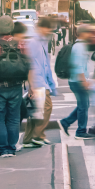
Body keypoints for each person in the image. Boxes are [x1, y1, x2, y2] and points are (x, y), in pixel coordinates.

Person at [0, 16, 30, 157]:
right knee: (14, 118)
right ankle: (12, 146)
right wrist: (31, 86)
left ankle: (2, 148)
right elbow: (29, 67)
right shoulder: (22, 44)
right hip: (16, 87)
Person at [23, 18, 59, 147]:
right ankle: (37, 135)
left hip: (41, 81)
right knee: (46, 108)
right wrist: (31, 84)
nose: (49, 31)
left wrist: (51, 83)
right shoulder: (33, 42)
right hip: (37, 81)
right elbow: (29, 64)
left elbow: (46, 64)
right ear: (42, 28)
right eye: (48, 28)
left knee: (36, 111)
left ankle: (28, 139)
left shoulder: (42, 41)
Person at [60, 26, 95, 140]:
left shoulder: (80, 46)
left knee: (84, 105)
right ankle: (80, 131)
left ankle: (66, 122)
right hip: (77, 80)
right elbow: (78, 66)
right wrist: (83, 81)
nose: (91, 35)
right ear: (83, 34)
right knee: (83, 106)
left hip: (77, 80)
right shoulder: (79, 47)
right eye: (88, 32)